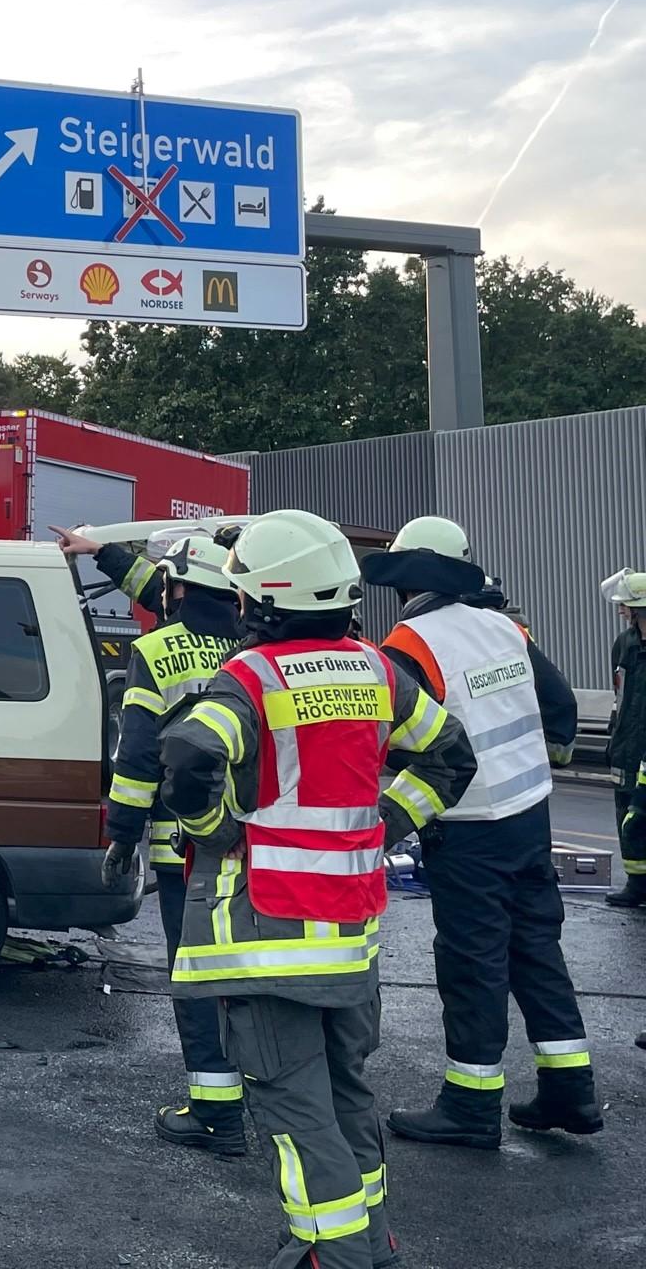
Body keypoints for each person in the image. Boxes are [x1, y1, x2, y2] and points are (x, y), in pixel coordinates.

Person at [157, 510, 475, 1269]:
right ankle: (372, 1243)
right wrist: (387, 822)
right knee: (345, 1094)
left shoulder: (253, 677)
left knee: (294, 1109)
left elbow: (189, 755)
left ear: (262, 600)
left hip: (270, 936)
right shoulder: (377, 670)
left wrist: (214, 828)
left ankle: (333, 1255)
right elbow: (450, 757)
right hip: (351, 936)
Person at [361, 518, 597, 1148]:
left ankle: (470, 1106)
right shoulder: (504, 626)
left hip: (468, 828)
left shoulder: (409, 645)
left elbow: (394, 741)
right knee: (536, 949)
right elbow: (558, 702)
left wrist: (386, 813)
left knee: (473, 964)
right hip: (530, 815)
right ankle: (570, 1089)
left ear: (405, 580)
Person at [100, 531, 247, 1155]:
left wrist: (122, 835)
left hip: (185, 847)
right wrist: (104, 553)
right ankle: (261, 1091)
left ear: (178, 590)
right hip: (259, 844)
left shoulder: (158, 649)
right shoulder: (253, 648)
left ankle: (216, 1111)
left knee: (197, 974)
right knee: (251, 974)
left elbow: (137, 756)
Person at [605, 569, 646, 908]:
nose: (620, 610)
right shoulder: (624, 644)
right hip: (625, 747)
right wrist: (613, 738)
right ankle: (637, 883)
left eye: (626, 605)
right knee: (626, 817)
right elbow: (618, 697)